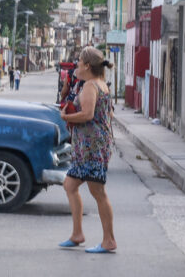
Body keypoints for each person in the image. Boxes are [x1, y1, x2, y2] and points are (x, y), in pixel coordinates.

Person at [59, 47, 116, 253]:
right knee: (70, 185)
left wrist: (66, 118)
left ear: (87, 66)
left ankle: (109, 240)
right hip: (87, 147)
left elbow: (88, 114)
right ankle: (77, 234)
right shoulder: (94, 84)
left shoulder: (92, 85)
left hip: (93, 147)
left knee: (98, 191)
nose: (76, 64)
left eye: (79, 61)